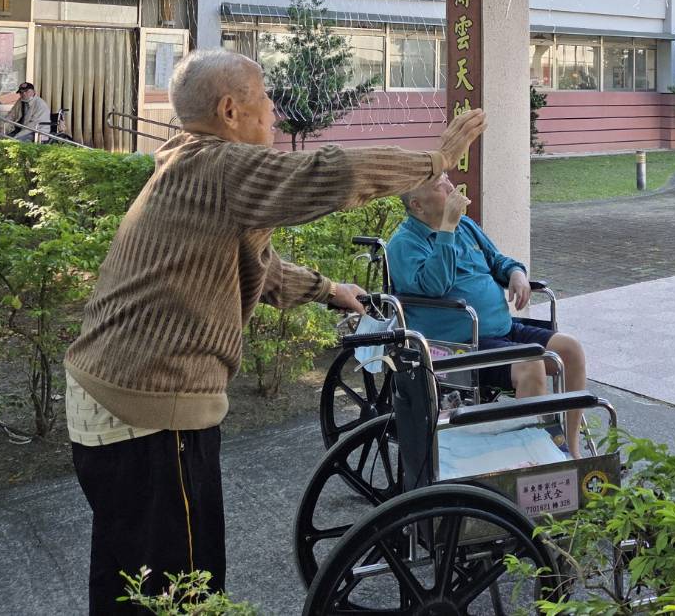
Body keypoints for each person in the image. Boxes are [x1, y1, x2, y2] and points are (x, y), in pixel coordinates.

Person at [63, 49, 486, 612]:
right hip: (149, 409)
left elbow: (254, 266)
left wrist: (329, 289)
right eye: (265, 100)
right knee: (178, 591)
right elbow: (329, 175)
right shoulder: (221, 165)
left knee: (131, 578)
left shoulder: (191, 163)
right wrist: (436, 160)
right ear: (230, 110)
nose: (275, 114)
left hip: (115, 397)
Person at [387, 172, 588, 455]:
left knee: (570, 350)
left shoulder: (466, 226)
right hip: (457, 345)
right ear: (417, 205)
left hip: (501, 329)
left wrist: (516, 273)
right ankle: (537, 459)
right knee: (530, 364)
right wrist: (446, 230)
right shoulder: (404, 244)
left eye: (447, 179)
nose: (450, 187)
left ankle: (570, 452)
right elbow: (435, 285)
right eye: (439, 186)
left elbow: (497, 260)